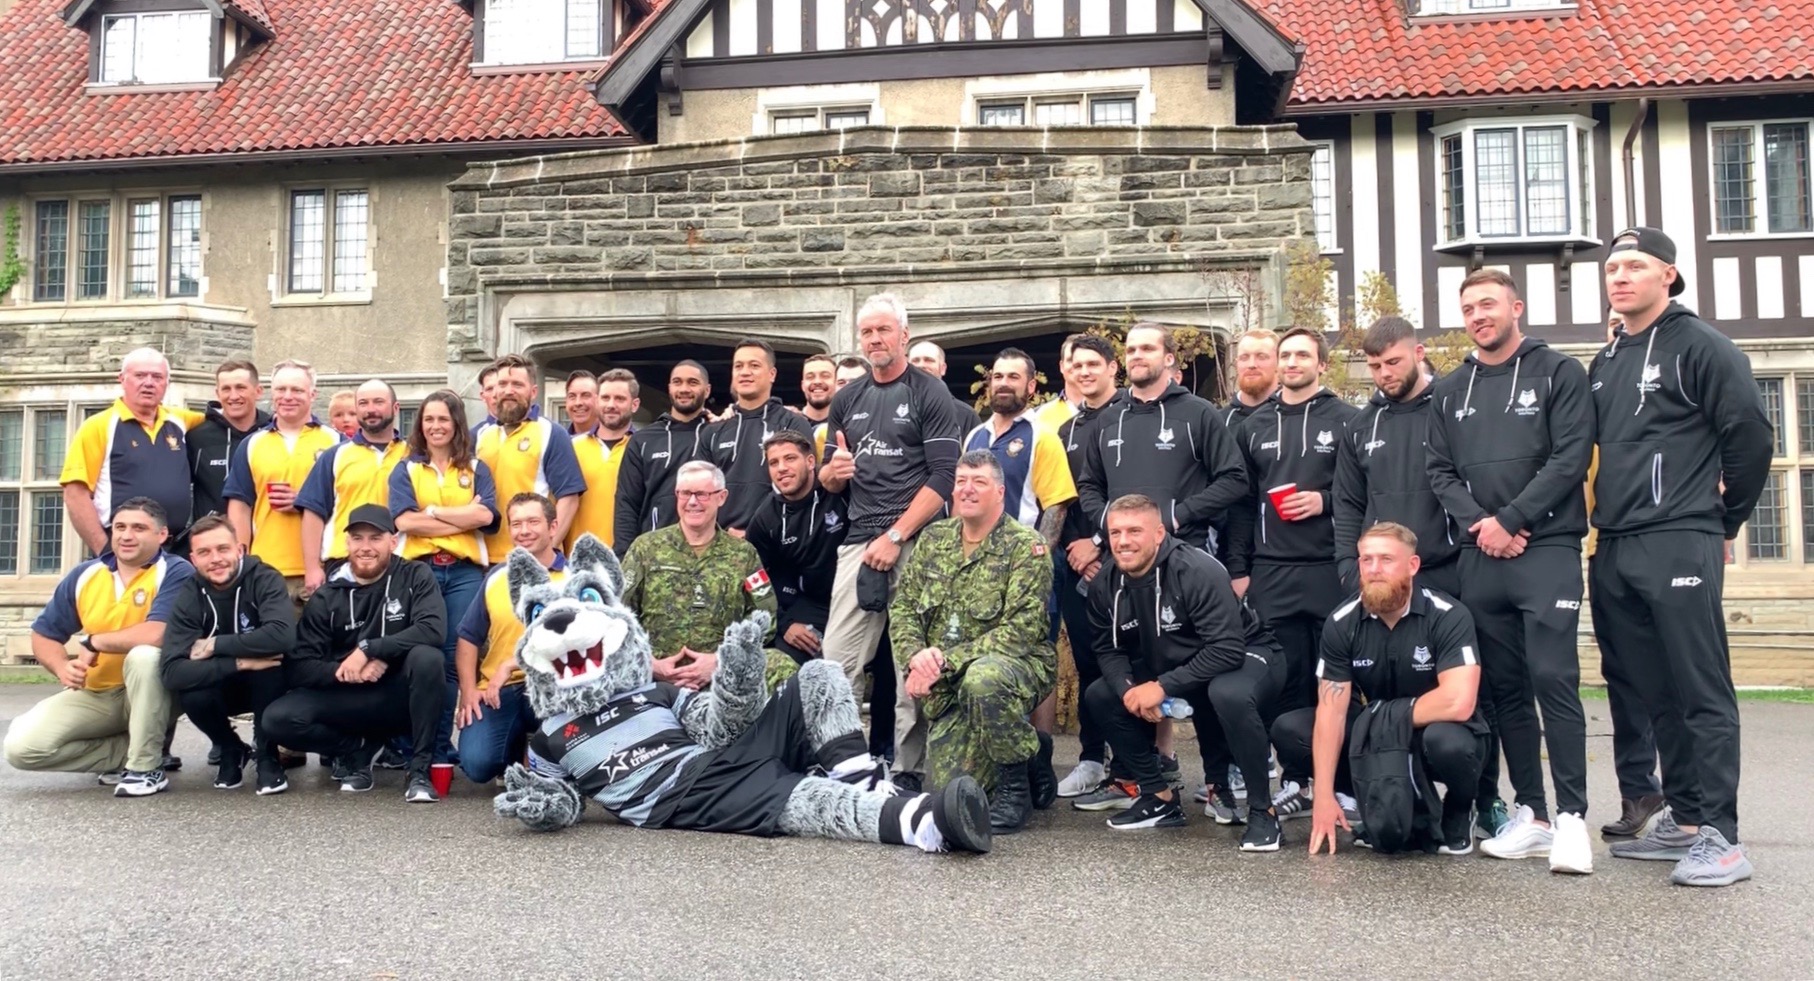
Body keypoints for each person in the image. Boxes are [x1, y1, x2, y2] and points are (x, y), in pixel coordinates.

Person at [1591, 227, 1772, 887]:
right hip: (1615, 543)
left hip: (1679, 535)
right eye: (1612, 267)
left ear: (1669, 275)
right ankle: (1688, 818)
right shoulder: (1609, 357)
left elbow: (1750, 432)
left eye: (1635, 265)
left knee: (1699, 688)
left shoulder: (1702, 346)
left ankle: (1722, 835)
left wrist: (1727, 516)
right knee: (1651, 687)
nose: (1620, 276)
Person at [1427, 268, 1595, 874]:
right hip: (1482, 556)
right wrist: (1483, 525)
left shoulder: (1559, 373)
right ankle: (1535, 815)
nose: (1478, 315)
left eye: (1489, 304)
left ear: (1516, 307)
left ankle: (1572, 818)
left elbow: (1571, 455)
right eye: (1468, 307)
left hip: (1545, 549)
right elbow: (1440, 472)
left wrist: (1514, 518)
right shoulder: (1450, 389)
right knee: (1505, 691)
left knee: (1553, 677)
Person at [1335, 316, 1506, 832]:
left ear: (1419, 352)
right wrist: (1351, 570)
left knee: (1479, 694)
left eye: (1393, 362)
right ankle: (1395, 795)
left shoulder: (1452, 408)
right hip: (1383, 580)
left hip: (1449, 572)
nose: (1384, 373)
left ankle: (1486, 800)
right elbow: (1347, 505)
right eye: (1374, 366)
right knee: (1386, 688)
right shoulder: (1361, 424)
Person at [819, 292, 968, 793]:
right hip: (858, 545)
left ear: (904, 335)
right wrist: (833, 474)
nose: (875, 339)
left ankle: (909, 771)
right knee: (837, 663)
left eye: (884, 330)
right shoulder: (846, 398)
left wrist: (897, 534)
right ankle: (841, 766)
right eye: (867, 332)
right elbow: (830, 479)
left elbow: (945, 475)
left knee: (914, 665)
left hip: (918, 544)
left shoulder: (929, 393)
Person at [1081, 494, 1287, 849]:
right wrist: (1129, 689)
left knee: (1227, 693)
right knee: (1101, 694)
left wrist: (1161, 687)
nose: (1123, 541)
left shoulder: (1196, 570)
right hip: (1174, 662)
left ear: (1159, 533)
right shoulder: (1106, 583)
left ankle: (1262, 811)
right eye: (1115, 532)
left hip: (1246, 652)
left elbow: (1225, 649)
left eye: (1134, 531)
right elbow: (1108, 649)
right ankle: (1159, 798)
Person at [1283, 523, 1488, 858]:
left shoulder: (1449, 615)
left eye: (1386, 559)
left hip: (1432, 731)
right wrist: (1322, 796)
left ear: (1413, 565)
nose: (1374, 569)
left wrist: (1382, 717)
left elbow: (1458, 702)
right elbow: (1331, 711)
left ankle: (1460, 808)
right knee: (1292, 731)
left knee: (1449, 744)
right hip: (1376, 736)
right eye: (1366, 560)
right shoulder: (1342, 621)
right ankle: (1370, 801)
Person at [1226, 326, 1358, 819]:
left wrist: (1323, 501)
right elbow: (1239, 505)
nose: (1292, 362)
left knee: (1334, 679)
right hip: (1271, 572)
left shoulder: (1349, 420)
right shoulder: (1253, 425)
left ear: (1322, 364)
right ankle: (1297, 780)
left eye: (1303, 354)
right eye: (1286, 355)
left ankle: (1343, 784)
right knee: (1283, 681)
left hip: (1330, 568)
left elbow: (1361, 495)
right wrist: (1239, 569)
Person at [891, 451, 1055, 834]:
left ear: (1000, 491)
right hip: (948, 682)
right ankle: (1033, 752)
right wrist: (916, 658)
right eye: (961, 480)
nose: (967, 489)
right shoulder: (933, 539)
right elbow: (903, 609)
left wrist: (944, 661)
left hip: (1016, 667)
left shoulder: (1026, 547)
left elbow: (1023, 630)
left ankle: (1016, 788)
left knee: (983, 679)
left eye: (978, 482)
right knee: (952, 792)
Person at [2, 498, 194, 796]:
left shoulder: (177, 572)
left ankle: (145, 768)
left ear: (162, 535)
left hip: (157, 690)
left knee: (144, 657)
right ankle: (130, 753)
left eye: (138, 528)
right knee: (22, 748)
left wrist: (94, 641)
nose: (126, 535)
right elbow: (43, 634)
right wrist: (62, 667)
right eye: (120, 527)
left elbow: (158, 634)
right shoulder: (85, 574)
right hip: (97, 693)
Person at [264, 504, 448, 802]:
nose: (366, 547)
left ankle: (419, 770)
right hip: (348, 695)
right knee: (278, 719)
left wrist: (370, 650)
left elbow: (432, 630)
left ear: (393, 541)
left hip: (398, 695)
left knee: (428, 659)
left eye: (375, 538)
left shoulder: (415, 575)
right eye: (358, 538)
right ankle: (357, 750)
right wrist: (347, 670)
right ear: (346, 542)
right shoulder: (327, 594)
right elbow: (300, 666)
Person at [962, 346, 1077, 801]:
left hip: (1028, 571)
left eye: (1014, 377)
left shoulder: (1042, 436)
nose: (1003, 383)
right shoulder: (974, 437)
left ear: (1032, 387)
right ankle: (995, 757)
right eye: (997, 376)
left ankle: (1039, 758)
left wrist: (1035, 561)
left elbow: (1056, 505)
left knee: (1037, 660)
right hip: (976, 572)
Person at [1073, 322, 1246, 569]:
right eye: (1131, 350)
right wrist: (1107, 521)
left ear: (1167, 358)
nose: (1137, 356)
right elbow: (1089, 485)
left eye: (1147, 348)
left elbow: (1234, 479)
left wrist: (1177, 516)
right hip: (1123, 560)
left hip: (1184, 555)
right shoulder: (1108, 420)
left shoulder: (1199, 413)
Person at [390, 390, 499, 766]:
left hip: (464, 572)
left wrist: (432, 512)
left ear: (456, 424)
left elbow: (485, 517)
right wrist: (460, 514)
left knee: (454, 658)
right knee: (420, 656)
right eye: (428, 419)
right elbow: (403, 521)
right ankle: (410, 743)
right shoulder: (406, 469)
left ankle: (439, 747)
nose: (436, 426)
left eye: (443, 420)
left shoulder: (476, 468)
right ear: (420, 425)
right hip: (418, 572)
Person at [620, 461, 791, 691]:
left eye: (701, 494)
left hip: (723, 677)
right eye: (685, 493)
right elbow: (617, 612)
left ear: (721, 497)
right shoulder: (646, 548)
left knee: (784, 668)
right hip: (655, 678)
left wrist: (722, 659)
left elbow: (765, 616)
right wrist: (648, 663)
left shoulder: (743, 554)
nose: (692, 502)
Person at [1591, 310, 1665, 839]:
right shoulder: (1598, 378)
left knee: (1678, 675)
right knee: (1622, 678)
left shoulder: (1672, 372)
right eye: (1611, 321)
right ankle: (1638, 791)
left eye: (1626, 320)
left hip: (1665, 542)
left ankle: (1695, 804)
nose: (1619, 327)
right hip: (1604, 544)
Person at [157, 514, 294, 795]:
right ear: (194, 559)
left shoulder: (265, 578)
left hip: (270, 686)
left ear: (239, 550)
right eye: (204, 553)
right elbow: (172, 671)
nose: (215, 559)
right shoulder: (190, 593)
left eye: (222, 549)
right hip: (222, 683)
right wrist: (241, 660)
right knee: (191, 691)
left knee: (269, 667)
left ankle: (267, 754)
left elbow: (282, 636)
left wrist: (215, 645)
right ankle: (231, 748)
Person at [1053, 334, 1122, 798]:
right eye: (1076, 365)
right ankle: (1093, 759)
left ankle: (1139, 766)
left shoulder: (1130, 419)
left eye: (1093, 364)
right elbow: (1062, 500)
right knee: (1087, 662)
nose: (1084, 372)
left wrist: (1100, 545)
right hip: (1074, 563)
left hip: (1122, 559)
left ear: (1112, 368)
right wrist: (1074, 551)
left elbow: (1134, 493)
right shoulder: (1065, 430)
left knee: (1131, 662)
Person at [455, 493, 564, 784]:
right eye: (517, 524)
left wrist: (513, 664)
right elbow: (468, 639)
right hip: (499, 691)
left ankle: (545, 757)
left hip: (557, 690)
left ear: (553, 527)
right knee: (477, 765)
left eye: (533, 522)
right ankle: (515, 751)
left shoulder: (573, 578)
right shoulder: (495, 578)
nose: (524, 531)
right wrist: (468, 692)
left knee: (563, 765)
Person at [61, 347, 202, 558]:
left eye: (157, 377)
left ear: (166, 383)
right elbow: (75, 494)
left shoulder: (179, 421)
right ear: (122, 379)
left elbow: (226, 419)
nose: (148, 383)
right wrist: (105, 550)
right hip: (124, 549)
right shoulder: (99, 426)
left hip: (175, 550)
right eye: (140, 375)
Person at [224, 358, 343, 607]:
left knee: (318, 646)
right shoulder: (252, 444)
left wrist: (306, 501)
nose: (288, 396)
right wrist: (241, 562)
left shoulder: (336, 442)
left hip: (322, 568)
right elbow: (240, 506)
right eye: (281, 389)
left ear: (313, 394)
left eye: (297, 390)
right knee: (270, 645)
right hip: (266, 569)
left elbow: (347, 503)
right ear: (271, 393)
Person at [296, 378, 410, 602]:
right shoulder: (334, 456)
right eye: (363, 403)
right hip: (344, 563)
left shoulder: (412, 455)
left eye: (378, 402)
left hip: (400, 561)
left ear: (395, 408)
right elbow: (313, 512)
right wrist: (312, 567)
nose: (371, 410)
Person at [745, 431, 848, 666]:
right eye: (773, 462)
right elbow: (753, 579)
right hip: (811, 603)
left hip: (857, 599)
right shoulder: (765, 519)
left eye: (790, 458)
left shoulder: (840, 492)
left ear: (810, 462)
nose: (781, 468)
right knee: (781, 663)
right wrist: (784, 623)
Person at [474, 354, 585, 557]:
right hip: (484, 560)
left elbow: (569, 499)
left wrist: (547, 551)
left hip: (534, 561)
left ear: (533, 392)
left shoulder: (552, 433)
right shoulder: (479, 436)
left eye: (517, 384)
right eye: (502, 384)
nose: (508, 391)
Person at [706, 339, 813, 534]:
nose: (745, 372)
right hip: (721, 546)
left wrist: (756, 533)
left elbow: (806, 490)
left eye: (754, 365)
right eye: (739, 366)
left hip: (778, 542)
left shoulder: (793, 424)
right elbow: (701, 493)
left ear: (772, 374)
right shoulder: (713, 431)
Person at [613, 360, 712, 553]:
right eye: (677, 382)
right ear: (669, 388)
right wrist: (623, 556)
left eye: (692, 382)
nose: (684, 388)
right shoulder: (643, 440)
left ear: (707, 390)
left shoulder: (719, 434)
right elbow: (627, 504)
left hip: (710, 556)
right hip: (656, 555)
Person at [184, 359, 271, 555]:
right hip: (213, 550)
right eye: (226, 389)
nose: (233, 396)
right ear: (217, 393)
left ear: (258, 391)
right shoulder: (197, 437)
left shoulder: (273, 433)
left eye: (241, 387)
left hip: (269, 544)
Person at [568, 368, 639, 553]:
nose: (611, 405)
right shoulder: (571, 448)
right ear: (597, 400)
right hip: (578, 559)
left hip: (628, 558)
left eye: (620, 399)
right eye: (605, 398)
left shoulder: (644, 448)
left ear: (635, 404)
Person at [908, 338, 981, 426]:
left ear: (943, 368)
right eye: (915, 361)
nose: (921, 365)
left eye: (928, 360)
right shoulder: (891, 406)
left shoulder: (966, 415)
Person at [563, 370, 599, 436]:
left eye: (585, 395)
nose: (578, 403)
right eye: (572, 396)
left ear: (599, 400)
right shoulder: (557, 441)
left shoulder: (617, 440)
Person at [474, 363, 501, 433]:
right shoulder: (474, 436)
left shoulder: (531, 430)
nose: (495, 394)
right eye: (490, 389)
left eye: (501, 387)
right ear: (482, 396)